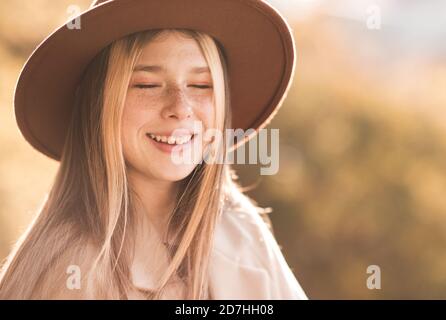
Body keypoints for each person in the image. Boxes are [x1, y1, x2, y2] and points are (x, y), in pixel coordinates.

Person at [0, 0, 307, 300]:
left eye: (201, 85)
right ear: (99, 104)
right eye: (147, 85)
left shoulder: (241, 230)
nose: (180, 108)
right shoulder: (68, 272)